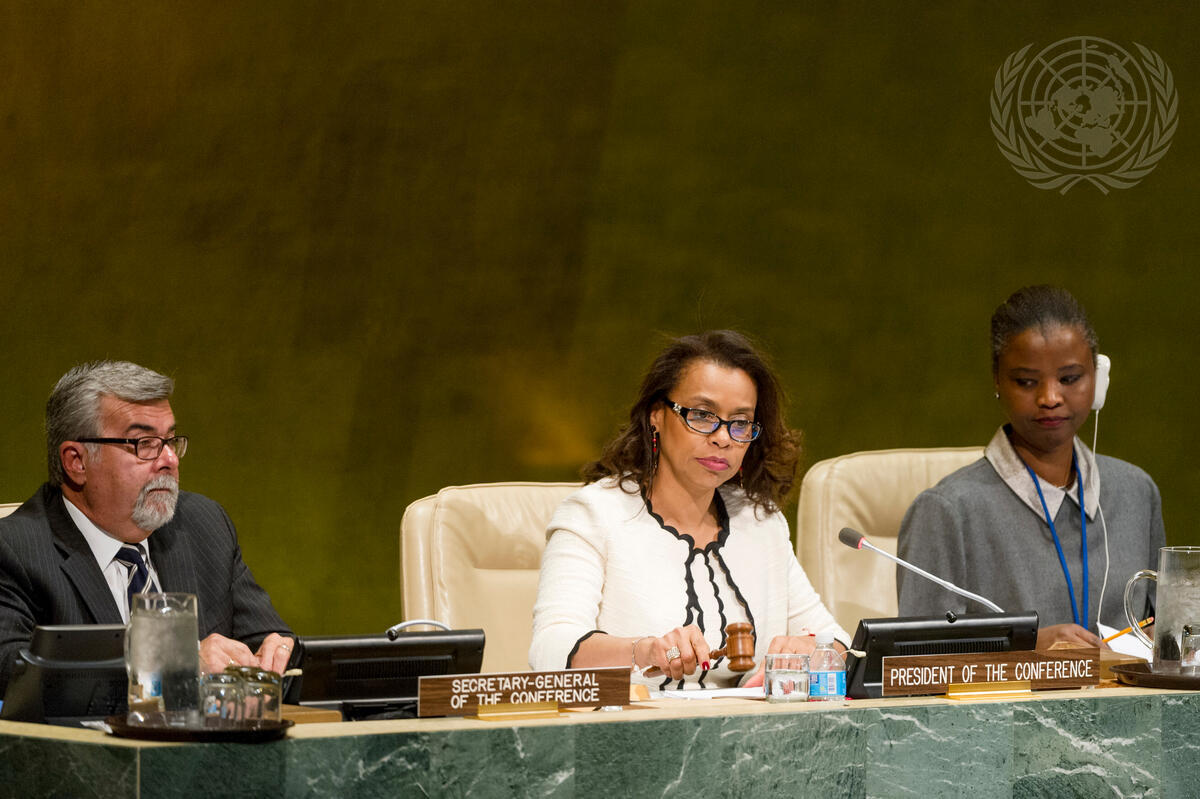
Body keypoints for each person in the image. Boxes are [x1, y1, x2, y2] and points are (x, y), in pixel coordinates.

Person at [529, 330, 847, 689]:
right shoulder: (594, 515)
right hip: (636, 722)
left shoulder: (761, 521)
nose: (723, 437)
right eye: (702, 415)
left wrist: (811, 649)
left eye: (740, 423)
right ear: (656, 415)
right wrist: (644, 651)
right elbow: (550, 649)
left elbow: (838, 642)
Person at [0, 361, 294, 695]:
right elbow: (11, 669)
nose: (170, 459)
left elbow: (270, 646)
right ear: (76, 461)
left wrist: (276, 655)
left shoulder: (203, 525)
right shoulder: (15, 549)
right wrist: (177, 665)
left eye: (170, 440)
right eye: (144, 443)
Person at [897, 286, 1164, 648]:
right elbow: (917, 659)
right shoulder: (947, 511)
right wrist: (1024, 648)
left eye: (1069, 379)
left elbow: (1162, 629)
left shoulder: (1137, 492)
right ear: (997, 380)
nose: (1050, 397)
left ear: (1098, 380)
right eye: (1026, 382)